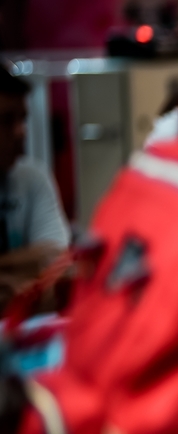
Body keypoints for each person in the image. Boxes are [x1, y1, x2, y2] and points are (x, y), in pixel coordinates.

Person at [0, 67, 69, 305]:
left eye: (23, 119)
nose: (21, 132)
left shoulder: (33, 178)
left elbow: (55, 256)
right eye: (6, 121)